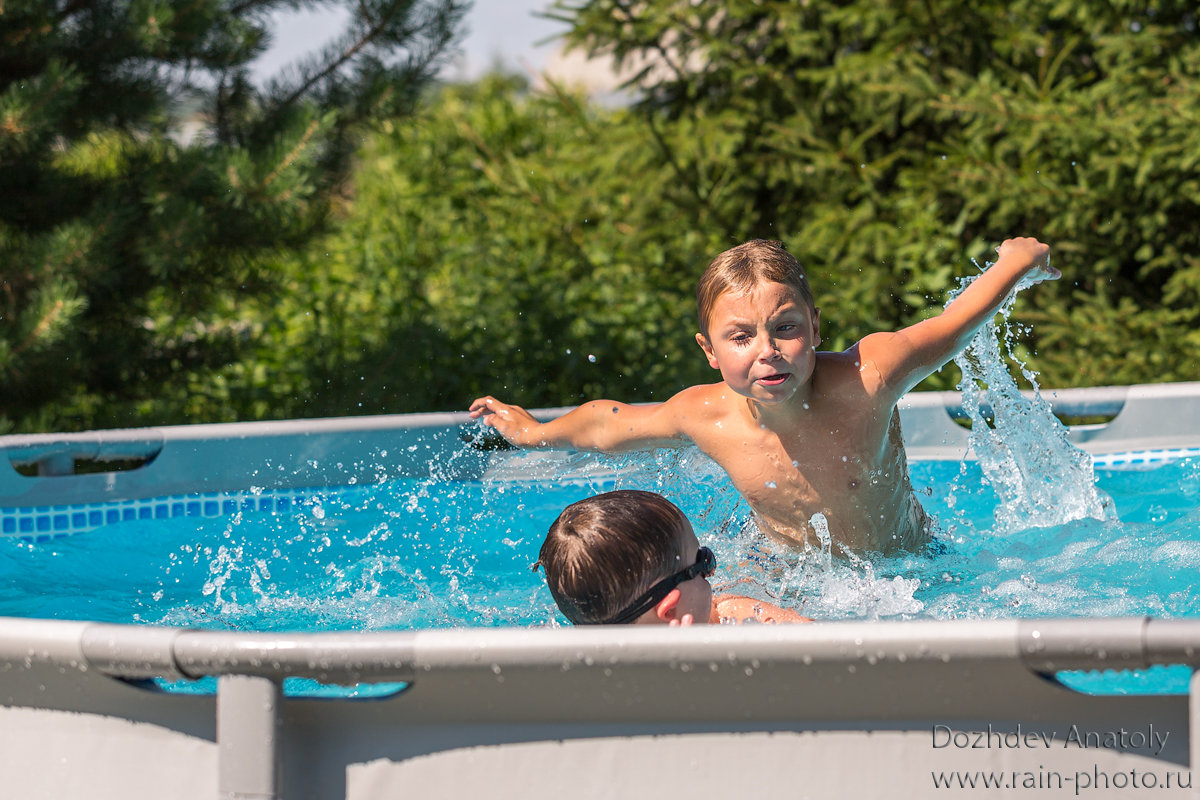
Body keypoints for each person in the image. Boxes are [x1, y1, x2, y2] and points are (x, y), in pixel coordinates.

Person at [473, 237, 1057, 555]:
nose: (766, 351)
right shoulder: (704, 415)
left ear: (816, 327)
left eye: (785, 328)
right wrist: (536, 432)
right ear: (709, 350)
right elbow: (610, 423)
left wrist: (1014, 263)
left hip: (911, 571)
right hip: (793, 581)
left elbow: (953, 326)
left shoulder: (867, 378)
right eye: (740, 337)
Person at [536, 489, 810, 625]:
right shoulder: (730, 624)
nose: (713, 572)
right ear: (670, 610)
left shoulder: (734, 614)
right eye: (704, 562)